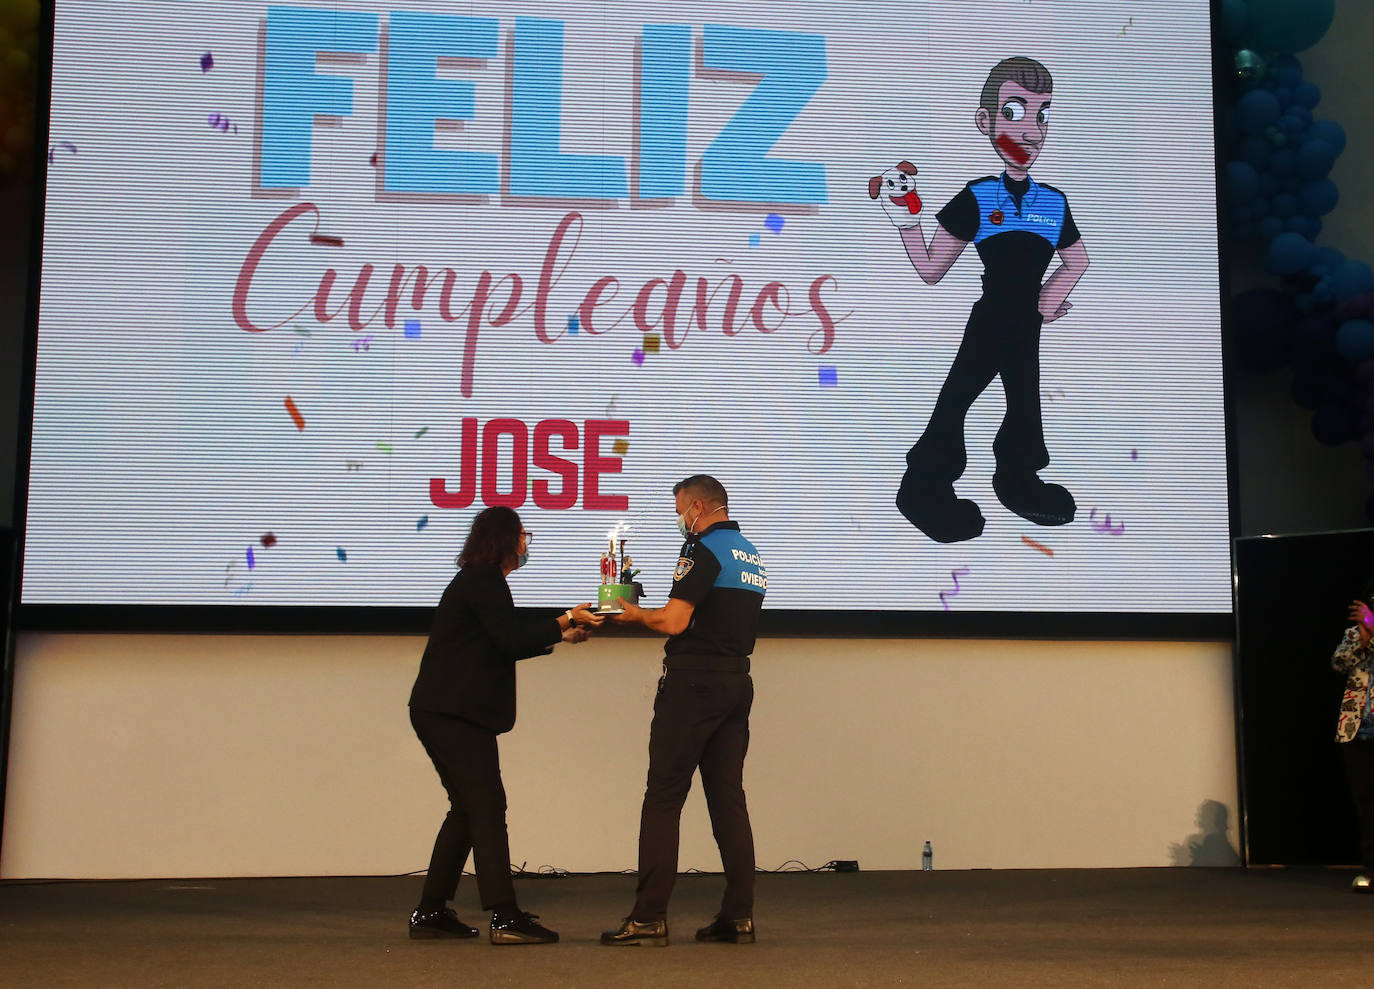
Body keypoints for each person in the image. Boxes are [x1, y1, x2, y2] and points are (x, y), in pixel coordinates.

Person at [878, 56, 1090, 543]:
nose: (1032, 131)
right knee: (958, 397)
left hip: (1025, 322)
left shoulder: (1053, 202)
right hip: (991, 317)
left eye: (1043, 114)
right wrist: (905, 220)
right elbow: (932, 268)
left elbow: (1077, 260)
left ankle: (1017, 480)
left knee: (1024, 401)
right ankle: (923, 485)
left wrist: (1045, 302)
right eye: (1015, 111)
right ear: (985, 121)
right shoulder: (978, 196)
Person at [408, 505, 604, 942]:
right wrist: (567, 618)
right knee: (487, 808)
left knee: (467, 809)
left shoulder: (483, 581)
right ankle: (504, 916)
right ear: (504, 539)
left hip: (447, 711)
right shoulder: (482, 580)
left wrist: (563, 633)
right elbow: (510, 638)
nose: (526, 543)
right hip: (452, 714)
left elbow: (505, 634)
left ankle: (430, 911)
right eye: (522, 535)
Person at [600, 475, 767, 947]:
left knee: (664, 797)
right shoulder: (751, 553)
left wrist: (632, 614)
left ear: (697, 505)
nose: (680, 519)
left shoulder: (702, 549)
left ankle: (648, 918)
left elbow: (675, 620)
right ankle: (738, 916)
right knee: (728, 798)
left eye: (679, 509)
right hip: (736, 684)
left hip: (693, 683)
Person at [1333, 587, 1374, 893]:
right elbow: (1339, 663)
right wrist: (1363, 637)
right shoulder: (1353, 634)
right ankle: (1371, 870)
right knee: (1366, 804)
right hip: (1355, 730)